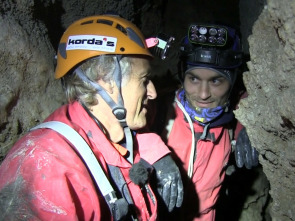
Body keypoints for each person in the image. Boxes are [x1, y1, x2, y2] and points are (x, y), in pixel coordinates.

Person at [0, 14, 183, 221]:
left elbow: (129, 136)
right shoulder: (45, 168)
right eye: (144, 80)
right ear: (106, 81)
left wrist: (158, 153)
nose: (153, 92)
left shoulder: (110, 127)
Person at [151, 23, 259, 220]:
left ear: (233, 81)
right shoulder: (161, 108)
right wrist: (155, 153)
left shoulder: (233, 114)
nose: (203, 94)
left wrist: (249, 124)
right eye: (193, 79)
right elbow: (126, 132)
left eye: (216, 81)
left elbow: (252, 97)